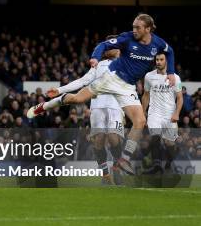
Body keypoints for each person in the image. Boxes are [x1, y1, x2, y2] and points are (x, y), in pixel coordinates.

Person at [27, 14, 176, 175]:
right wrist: (95, 59)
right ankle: (45, 106)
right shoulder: (126, 38)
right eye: (133, 26)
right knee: (77, 99)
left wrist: (171, 72)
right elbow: (103, 45)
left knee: (140, 121)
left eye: (137, 27)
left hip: (128, 87)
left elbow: (170, 51)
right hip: (111, 78)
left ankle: (124, 159)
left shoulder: (158, 43)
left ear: (148, 29)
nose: (134, 30)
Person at [43, 37, 124, 184]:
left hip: (115, 106)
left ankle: (117, 168)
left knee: (113, 137)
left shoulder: (125, 63)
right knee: (99, 141)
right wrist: (60, 89)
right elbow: (82, 81)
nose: (117, 48)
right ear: (107, 50)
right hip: (98, 106)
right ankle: (105, 174)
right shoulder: (99, 66)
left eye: (117, 46)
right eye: (113, 46)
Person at [141, 53, 183, 173]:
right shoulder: (149, 76)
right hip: (154, 113)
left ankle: (169, 162)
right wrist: (142, 112)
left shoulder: (175, 77)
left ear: (166, 61)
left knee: (169, 144)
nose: (158, 62)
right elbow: (146, 95)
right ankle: (157, 166)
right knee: (155, 137)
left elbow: (180, 98)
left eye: (161, 59)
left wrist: (177, 113)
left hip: (170, 115)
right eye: (157, 59)